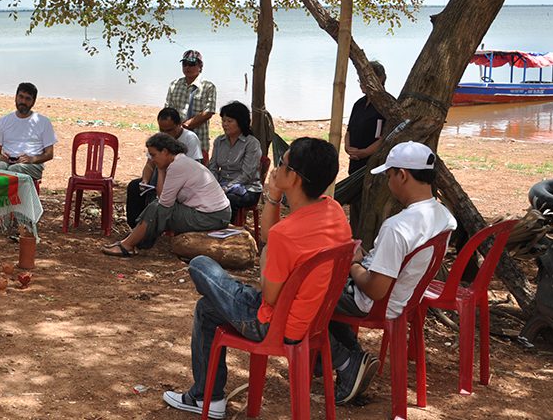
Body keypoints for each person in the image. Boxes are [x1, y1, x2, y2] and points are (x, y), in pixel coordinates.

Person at [163, 137, 351, 417]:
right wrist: (273, 198)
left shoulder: (285, 236)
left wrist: (266, 256)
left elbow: (270, 294)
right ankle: (207, 395)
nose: (276, 169)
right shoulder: (333, 210)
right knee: (208, 308)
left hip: (274, 324)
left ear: (295, 178)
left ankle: (207, 397)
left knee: (201, 266)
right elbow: (268, 236)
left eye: (282, 164)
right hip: (312, 318)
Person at [327, 141, 456, 404]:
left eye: (389, 176)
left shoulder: (398, 227)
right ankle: (352, 358)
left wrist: (353, 264)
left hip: (377, 302)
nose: (388, 183)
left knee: (303, 294)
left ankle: (344, 362)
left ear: (402, 175)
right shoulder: (443, 215)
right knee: (324, 288)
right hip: (406, 298)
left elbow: (375, 289)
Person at [101, 132, 230, 257]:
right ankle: (132, 242)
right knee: (156, 206)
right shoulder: (178, 162)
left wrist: (161, 170)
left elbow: (164, 203)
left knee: (156, 207)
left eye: (153, 155)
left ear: (165, 151)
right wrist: (161, 169)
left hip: (211, 216)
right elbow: (163, 197)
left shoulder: (178, 166)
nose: (151, 159)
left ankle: (128, 244)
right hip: (215, 213)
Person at [125, 107, 203, 227]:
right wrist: (145, 180)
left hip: (178, 181)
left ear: (179, 125)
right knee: (135, 187)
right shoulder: (158, 139)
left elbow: (194, 167)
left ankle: (151, 225)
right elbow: (149, 164)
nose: (166, 134)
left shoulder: (190, 138)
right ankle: (136, 226)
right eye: (162, 130)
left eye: (169, 130)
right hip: (159, 177)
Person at [343, 60, 387, 223]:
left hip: (373, 164)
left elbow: (385, 138)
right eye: (359, 79)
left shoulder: (386, 105)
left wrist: (365, 152)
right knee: (356, 204)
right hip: (355, 164)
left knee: (371, 205)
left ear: (380, 79)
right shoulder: (359, 104)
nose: (361, 84)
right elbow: (349, 130)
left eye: (364, 79)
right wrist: (348, 148)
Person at [208, 101, 263, 223]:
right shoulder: (219, 141)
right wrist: (214, 184)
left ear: (241, 122)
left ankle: (228, 230)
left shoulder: (251, 143)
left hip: (248, 189)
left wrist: (226, 188)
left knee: (228, 199)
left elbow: (247, 175)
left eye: (229, 121)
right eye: (223, 121)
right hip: (222, 184)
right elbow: (213, 166)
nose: (225, 124)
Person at [0, 82, 56, 181]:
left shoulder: (44, 122)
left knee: (14, 170)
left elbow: (49, 154)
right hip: (7, 163)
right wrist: (2, 157)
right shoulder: (2, 121)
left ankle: (9, 195)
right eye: (21, 97)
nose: (23, 101)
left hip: (32, 165)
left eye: (28, 99)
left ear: (33, 102)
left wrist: (32, 159)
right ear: (15, 97)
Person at [164, 49, 216, 159]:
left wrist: (186, 125)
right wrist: (175, 129)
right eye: (185, 64)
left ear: (200, 66)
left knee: (197, 172)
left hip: (200, 138)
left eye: (192, 64)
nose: (187, 67)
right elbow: (168, 110)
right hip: (175, 138)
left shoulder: (208, 87)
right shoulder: (174, 85)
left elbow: (208, 112)